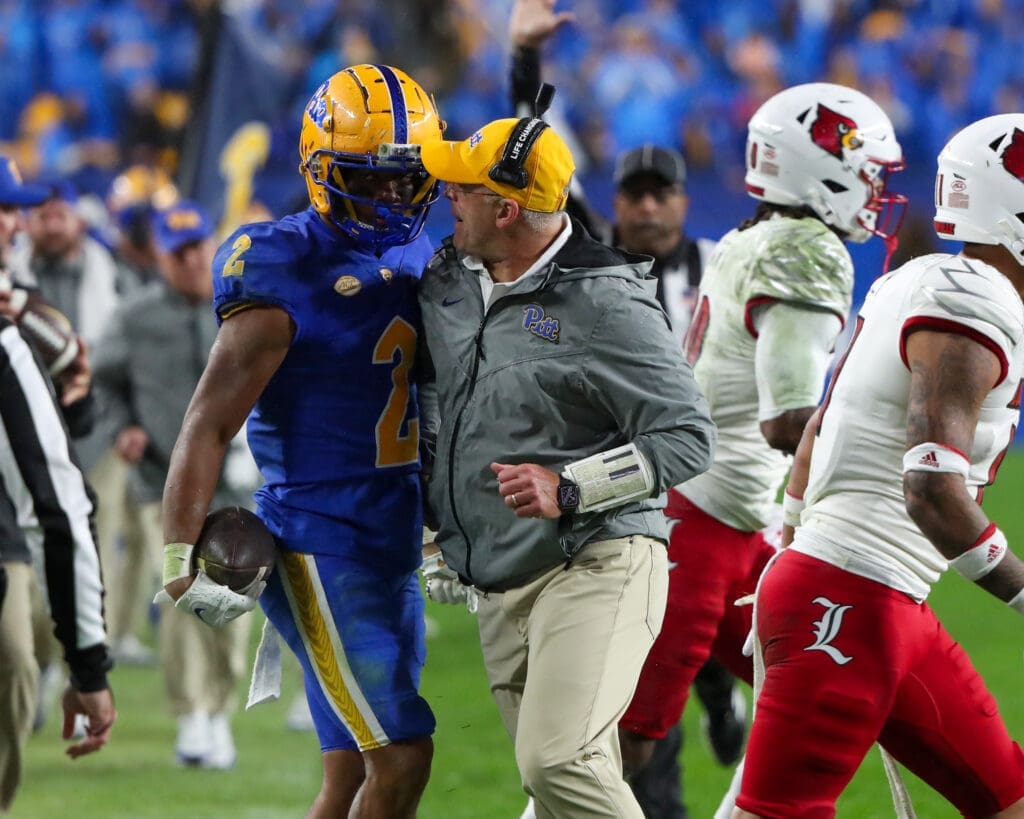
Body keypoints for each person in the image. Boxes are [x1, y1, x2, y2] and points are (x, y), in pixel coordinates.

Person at [158, 64, 444, 817]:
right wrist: (176, 554)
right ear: (321, 171)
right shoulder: (283, 268)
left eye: (405, 178)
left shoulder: (424, 256)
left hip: (391, 538)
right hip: (318, 538)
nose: (390, 195)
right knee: (403, 752)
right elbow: (209, 420)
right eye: (368, 177)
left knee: (351, 771)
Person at [416, 112, 716, 818]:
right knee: (556, 789)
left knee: (560, 760)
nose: (446, 197)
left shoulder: (605, 301)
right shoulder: (447, 280)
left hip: (595, 561)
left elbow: (688, 436)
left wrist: (574, 484)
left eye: (461, 187)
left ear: (506, 208)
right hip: (497, 575)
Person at [618, 81, 908, 791]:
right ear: (819, 165)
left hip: (732, 520)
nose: (874, 185)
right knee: (624, 746)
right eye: (865, 166)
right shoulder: (806, 248)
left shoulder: (757, 233)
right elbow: (786, 419)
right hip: (700, 525)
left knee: (817, 690)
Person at [733, 113, 1024, 818]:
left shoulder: (923, 279)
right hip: (851, 596)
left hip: (871, 595)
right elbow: (931, 489)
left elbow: (818, 433)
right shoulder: (973, 304)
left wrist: (793, 544)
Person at [91, 200, 253, 768]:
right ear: (160, 254)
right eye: (177, 251)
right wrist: (122, 427)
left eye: (195, 248)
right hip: (161, 477)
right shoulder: (134, 317)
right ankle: (192, 716)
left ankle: (220, 707)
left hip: (234, 476)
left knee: (235, 597)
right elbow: (101, 382)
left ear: (209, 247)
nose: (188, 260)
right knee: (184, 594)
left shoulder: (239, 306)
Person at [0, 157, 112, 815]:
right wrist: (90, 668)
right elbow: (63, 509)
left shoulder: (21, 330)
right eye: (2, 209)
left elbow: (74, 422)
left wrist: (73, 393)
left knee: (14, 665)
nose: (11, 223)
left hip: (4, 532)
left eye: (13, 209)